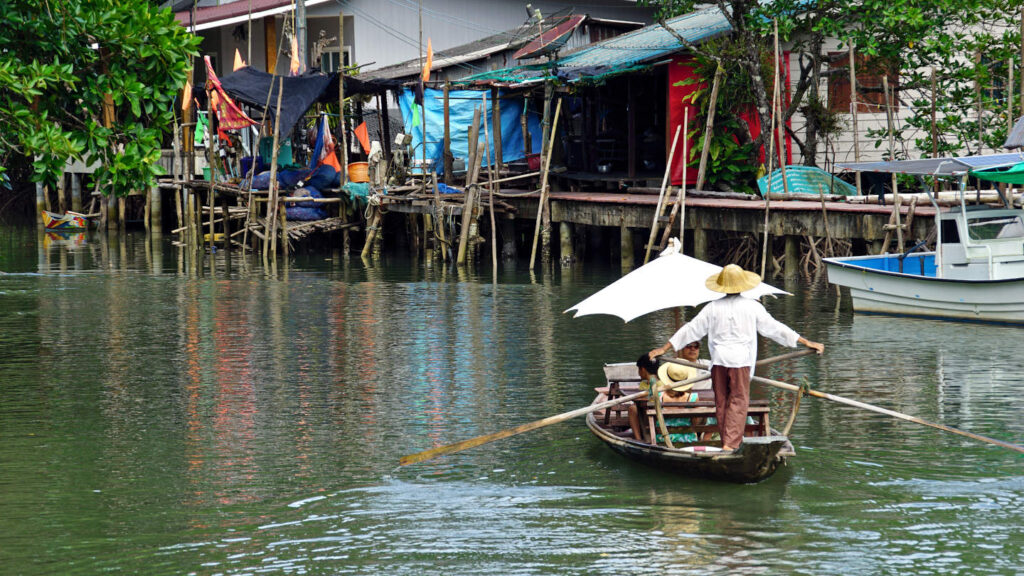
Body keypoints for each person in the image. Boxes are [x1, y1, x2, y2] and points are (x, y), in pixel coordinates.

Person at [648, 264, 824, 452]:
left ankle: (727, 442)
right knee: (738, 402)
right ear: (742, 285)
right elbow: (775, 328)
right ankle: (730, 445)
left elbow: (690, 329)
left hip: (719, 363)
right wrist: (806, 341)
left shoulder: (712, 308)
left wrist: (664, 348)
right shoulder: (752, 307)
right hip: (740, 362)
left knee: (722, 402)